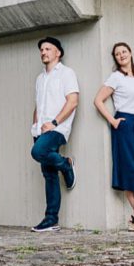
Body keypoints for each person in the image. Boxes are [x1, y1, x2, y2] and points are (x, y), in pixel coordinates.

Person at [93, 42, 134, 232]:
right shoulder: (115, 77)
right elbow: (97, 100)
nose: (121, 55)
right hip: (126, 124)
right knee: (133, 171)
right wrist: (113, 122)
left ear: (130, 53)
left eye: (124, 52)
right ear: (115, 58)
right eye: (117, 54)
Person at [29, 36, 79, 232]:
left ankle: (66, 165)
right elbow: (38, 105)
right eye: (42, 49)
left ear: (58, 52)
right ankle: (51, 219)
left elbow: (73, 101)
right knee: (49, 175)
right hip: (40, 129)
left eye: (48, 49)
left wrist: (55, 122)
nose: (43, 52)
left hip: (57, 128)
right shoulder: (40, 78)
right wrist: (35, 124)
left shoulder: (66, 73)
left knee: (37, 152)